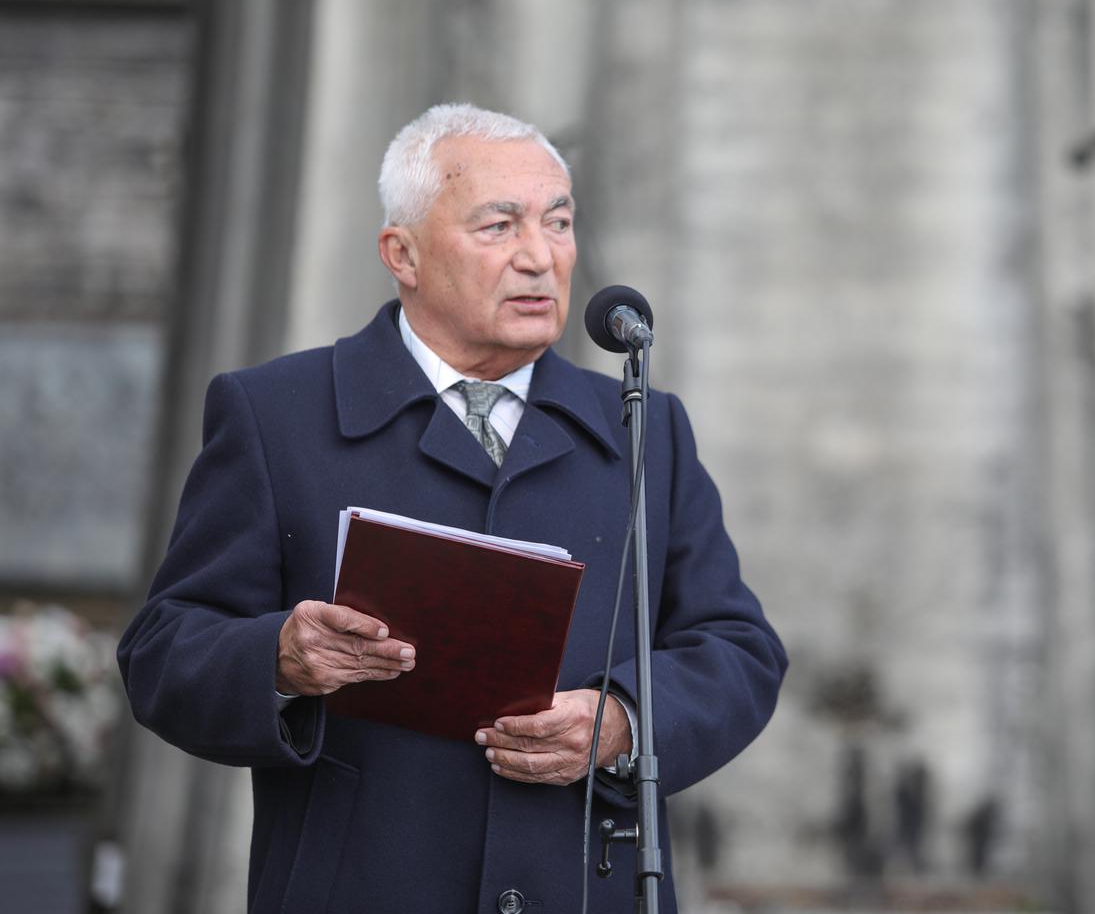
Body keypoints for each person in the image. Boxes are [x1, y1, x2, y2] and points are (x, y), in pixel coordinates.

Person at [119, 103, 787, 914]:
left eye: (560, 221)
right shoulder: (277, 416)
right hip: (364, 885)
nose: (541, 257)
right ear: (401, 253)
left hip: (583, 886)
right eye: (499, 226)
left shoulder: (642, 425)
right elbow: (163, 651)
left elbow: (737, 649)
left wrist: (622, 721)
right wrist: (280, 658)